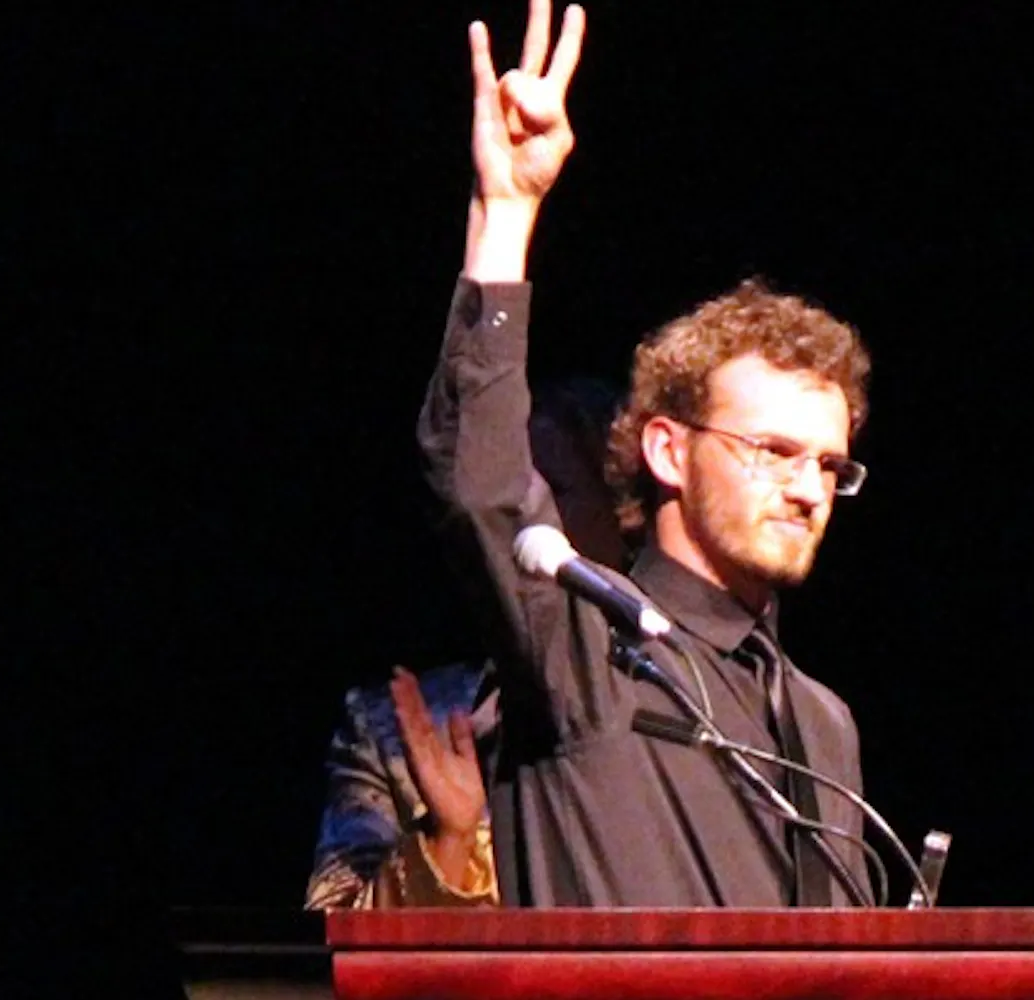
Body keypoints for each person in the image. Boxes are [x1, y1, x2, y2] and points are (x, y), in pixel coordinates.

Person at [417, 0, 876, 907]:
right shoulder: (588, 648)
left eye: (829, 465)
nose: (806, 488)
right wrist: (505, 212)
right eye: (774, 451)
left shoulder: (824, 722)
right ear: (668, 450)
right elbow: (481, 482)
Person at [305, 377, 627, 909]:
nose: (518, 528)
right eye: (503, 508)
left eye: (553, 494)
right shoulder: (391, 732)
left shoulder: (690, 707)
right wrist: (450, 842)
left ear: (621, 513)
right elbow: (334, 930)